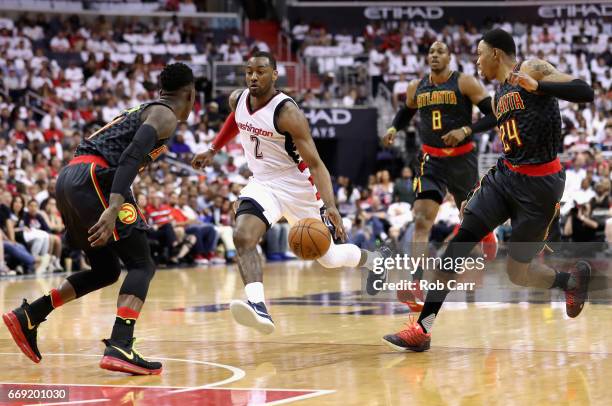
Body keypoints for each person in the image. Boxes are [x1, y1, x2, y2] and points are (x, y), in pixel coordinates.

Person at [382, 28, 594, 352]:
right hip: (507, 175)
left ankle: (570, 282)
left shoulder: (532, 68)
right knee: (459, 243)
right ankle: (422, 330)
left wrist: (540, 86)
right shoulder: (498, 94)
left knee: (519, 274)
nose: (477, 61)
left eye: (480, 53)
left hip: (541, 185)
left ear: (495, 53)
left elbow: (585, 91)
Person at [2, 63, 195, 374]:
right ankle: (121, 343)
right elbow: (131, 156)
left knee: (105, 269)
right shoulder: (165, 114)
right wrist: (114, 204)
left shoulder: (147, 109)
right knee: (142, 264)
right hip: (95, 178)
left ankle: (30, 314)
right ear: (190, 93)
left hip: (70, 178)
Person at [192, 52, 390, 334]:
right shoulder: (238, 100)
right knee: (242, 236)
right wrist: (213, 149)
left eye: (260, 71)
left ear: (274, 74)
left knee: (330, 259)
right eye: (249, 71)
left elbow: (316, 164)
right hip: (262, 183)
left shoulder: (287, 113)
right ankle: (258, 305)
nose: (253, 77)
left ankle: (373, 260)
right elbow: (236, 120)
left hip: (298, 187)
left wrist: (331, 205)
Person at [378, 41, 498, 299]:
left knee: (470, 217)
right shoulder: (416, 87)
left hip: (462, 160)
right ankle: (415, 282)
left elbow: (494, 115)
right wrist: (393, 128)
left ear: (450, 57)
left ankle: (485, 234)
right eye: (431, 52)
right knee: (422, 218)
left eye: (440, 51)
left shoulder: (465, 83)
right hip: (431, 161)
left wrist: (466, 130)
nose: (434, 55)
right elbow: (405, 112)